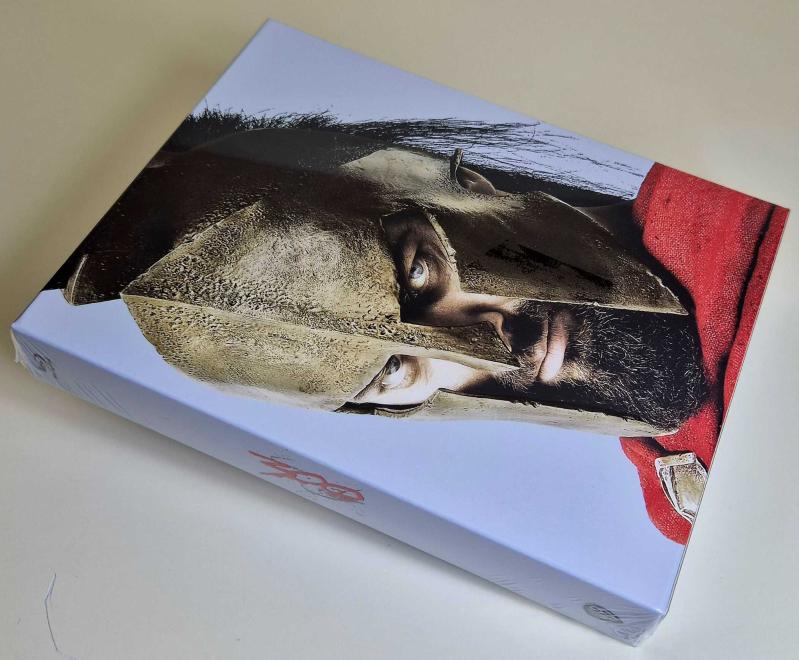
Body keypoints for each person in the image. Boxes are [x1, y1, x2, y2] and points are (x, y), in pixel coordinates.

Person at [48, 125, 787, 543]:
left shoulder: (753, 194)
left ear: (456, 187)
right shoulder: (675, 499)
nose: (488, 343)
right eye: (393, 371)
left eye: (420, 272)